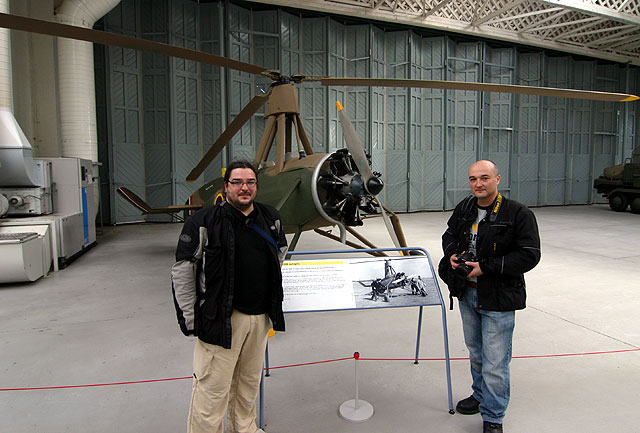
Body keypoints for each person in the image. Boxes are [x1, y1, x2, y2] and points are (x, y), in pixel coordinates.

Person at [171, 160, 287, 433]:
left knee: (248, 386)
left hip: (259, 319)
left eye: (250, 182)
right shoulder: (203, 221)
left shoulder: (270, 218)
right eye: (237, 182)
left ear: (256, 186)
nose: (244, 188)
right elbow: (183, 271)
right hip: (221, 319)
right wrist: (191, 319)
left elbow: (279, 254)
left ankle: (244, 429)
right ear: (226, 186)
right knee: (211, 391)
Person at [438, 160, 540, 433]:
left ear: (497, 179)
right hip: (467, 293)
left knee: (495, 361)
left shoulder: (518, 213)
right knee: (476, 353)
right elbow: (449, 234)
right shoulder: (465, 208)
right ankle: (480, 394)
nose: (478, 184)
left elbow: (530, 255)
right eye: (473, 179)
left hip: (498, 297)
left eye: (484, 178)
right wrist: (452, 254)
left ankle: (494, 417)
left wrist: (486, 267)